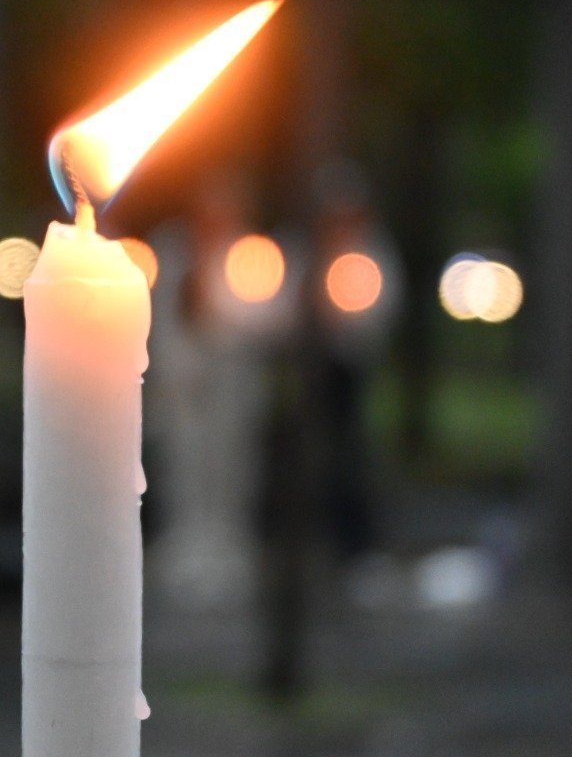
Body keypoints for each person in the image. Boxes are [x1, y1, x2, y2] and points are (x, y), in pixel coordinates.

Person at [148, 175, 289, 610]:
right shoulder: (174, 253)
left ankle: (229, 551)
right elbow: (156, 317)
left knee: (230, 465)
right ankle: (185, 546)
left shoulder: (251, 255)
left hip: (233, 378)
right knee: (185, 464)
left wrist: (224, 323)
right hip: (185, 384)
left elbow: (270, 317)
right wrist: (175, 367)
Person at [308, 164, 404, 571]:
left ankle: (358, 545)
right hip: (321, 371)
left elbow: (383, 308)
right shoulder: (317, 253)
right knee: (324, 457)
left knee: (354, 457)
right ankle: (327, 541)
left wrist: (347, 319)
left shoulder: (373, 255)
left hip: (356, 369)